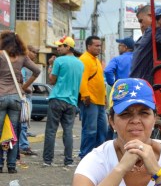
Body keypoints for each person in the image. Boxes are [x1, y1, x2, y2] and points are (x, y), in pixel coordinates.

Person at [0, 31, 41, 173]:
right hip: (16, 98)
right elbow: (37, 71)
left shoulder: (0, 55)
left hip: (1, 96)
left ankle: (0, 164)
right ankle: (11, 165)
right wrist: (23, 87)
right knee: (14, 132)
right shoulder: (23, 57)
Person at [43, 37, 85, 168]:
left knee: (51, 130)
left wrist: (50, 65)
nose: (58, 48)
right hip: (72, 101)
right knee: (68, 131)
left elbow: (52, 80)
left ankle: (48, 160)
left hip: (57, 98)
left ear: (68, 47)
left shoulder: (59, 61)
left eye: (61, 46)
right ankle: (68, 160)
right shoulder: (80, 63)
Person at [78, 36, 108, 159]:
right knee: (90, 130)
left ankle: (99, 156)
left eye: (100, 45)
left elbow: (100, 80)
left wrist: (105, 97)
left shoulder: (96, 60)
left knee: (102, 131)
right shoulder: (84, 59)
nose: (99, 48)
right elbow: (82, 79)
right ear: (88, 46)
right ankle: (85, 155)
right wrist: (85, 96)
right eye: (96, 45)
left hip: (100, 101)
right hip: (90, 101)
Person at [18, 45, 40, 157]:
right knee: (23, 122)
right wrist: (26, 88)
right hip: (24, 97)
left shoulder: (29, 65)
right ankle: (23, 146)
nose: (35, 54)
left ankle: (22, 145)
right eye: (34, 52)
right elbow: (20, 81)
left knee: (24, 122)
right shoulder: (24, 64)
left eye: (36, 52)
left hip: (27, 96)